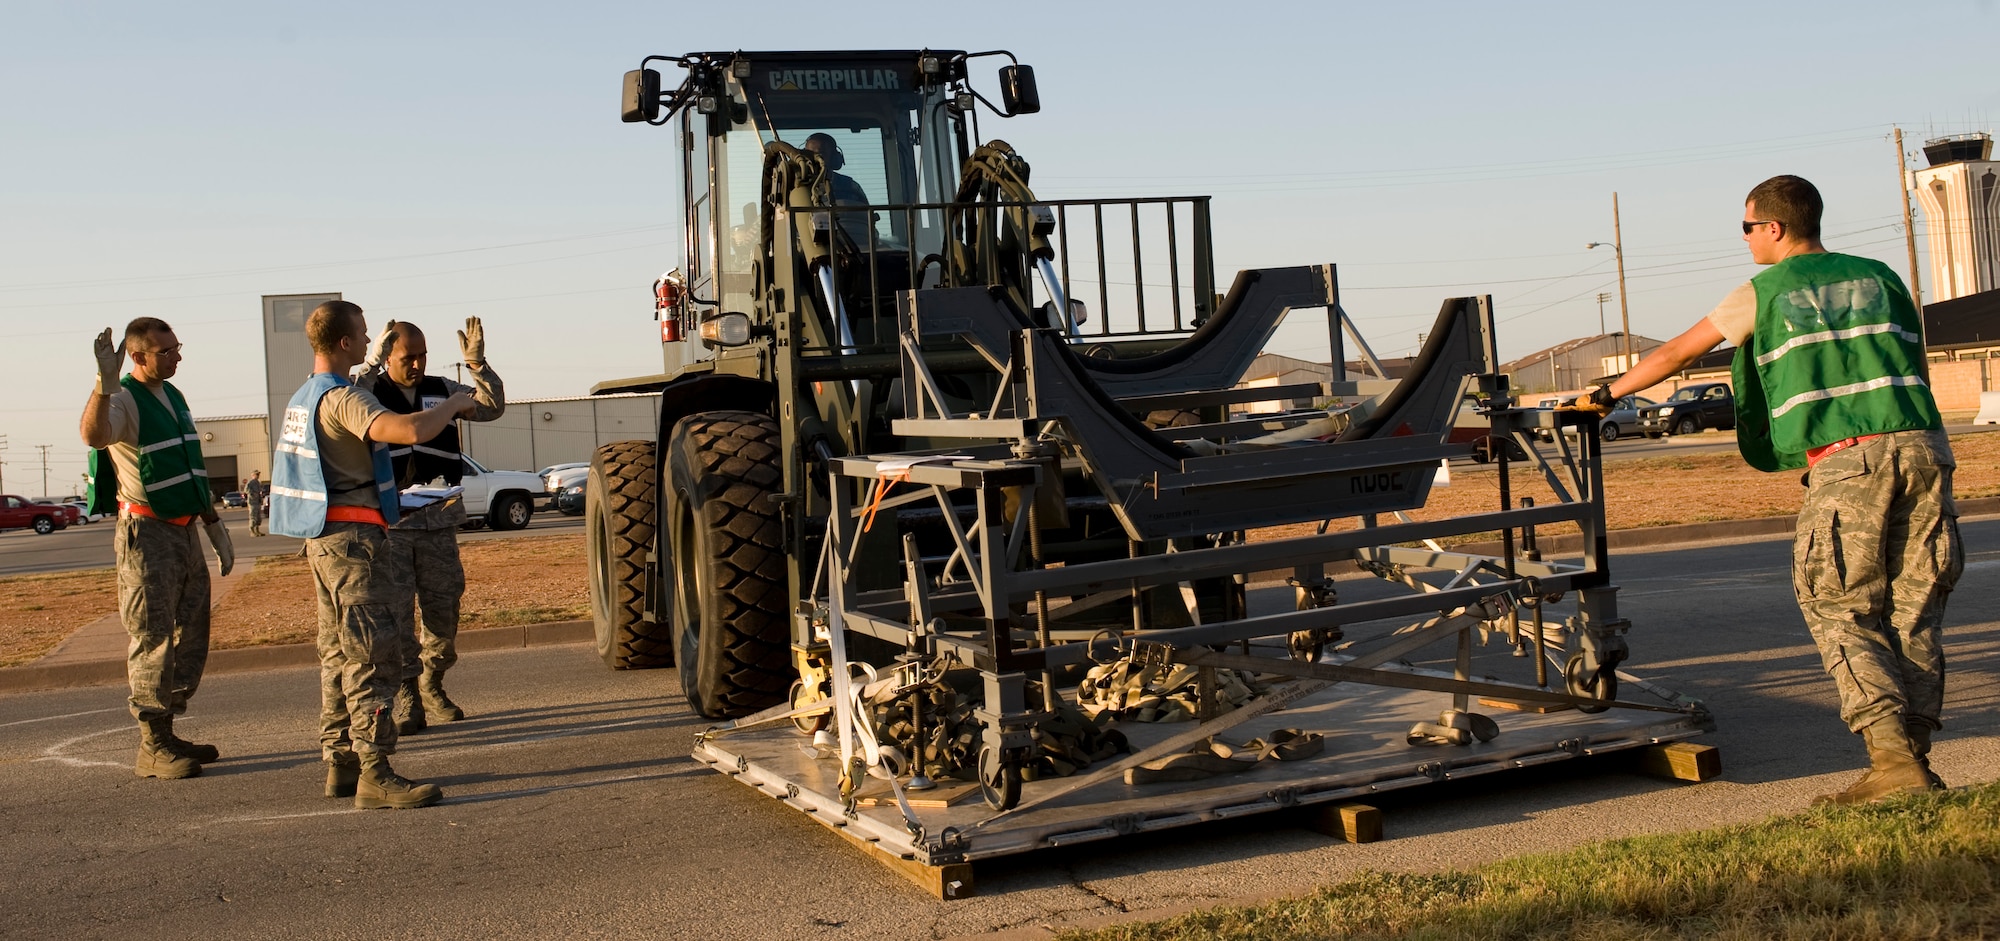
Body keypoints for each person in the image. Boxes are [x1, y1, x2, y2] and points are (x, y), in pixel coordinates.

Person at [1571, 175, 1963, 804]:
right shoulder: (1882, 277)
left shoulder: (1765, 291)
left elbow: (1676, 352)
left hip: (1848, 459)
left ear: (1774, 227)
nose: (1747, 239)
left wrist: (1602, 397)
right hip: (1927, 450)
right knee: (1915, 611)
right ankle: (1913, 760)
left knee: (1839, 605)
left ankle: (1892, 764)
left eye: (1747, 227)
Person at [271, 299, 474, 810]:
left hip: (325, 543)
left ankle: (339, 761)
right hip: (355, 548)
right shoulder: (342, 398)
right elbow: (408, 430)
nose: (369, 344)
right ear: (343, 342)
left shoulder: (304, 395)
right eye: (363, 335)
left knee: (336, 653)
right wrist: (451, 406)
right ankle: (374, 771)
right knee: (371, 656)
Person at [79, 318, 235, 779]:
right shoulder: (124, 400)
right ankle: (152, 744)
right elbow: (92, 435)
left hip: (184, 530)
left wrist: (212, 523)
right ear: (137, 356)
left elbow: (189, 466)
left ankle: (165, 727)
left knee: (193, 634)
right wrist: (103, 385)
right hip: (146, 536)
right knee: (153, 637)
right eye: (166, 351)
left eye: (176, 347)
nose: (177, 357)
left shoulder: (175, 396)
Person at [354, 317, 505, 734]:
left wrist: (477, 365)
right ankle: (408, 697)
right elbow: (346, 395)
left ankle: (433, 683)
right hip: (392, 526)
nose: (417, 364)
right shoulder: (371, 394)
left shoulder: (443, 390)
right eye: (408, 357)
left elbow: (491, 407)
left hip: (438, 521)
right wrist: (369, 365)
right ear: (388, 358)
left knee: (444, 611)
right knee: (398, 616)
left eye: (422, 356)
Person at [802, 132, 874, 244]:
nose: (814, 159)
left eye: (821, 154)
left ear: (834, 158)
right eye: (809, 154)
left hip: (855, 247)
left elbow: (867, 220)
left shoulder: (851, 187)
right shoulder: (796, 189)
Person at [243, 470, 268, 536]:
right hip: (252, 502)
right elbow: (246, 490)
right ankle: (252, 531)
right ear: (253, 475)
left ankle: (257, 530)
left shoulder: (258, 482)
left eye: (258, 474)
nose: (258, 476)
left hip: (257, 502)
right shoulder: (250, 482)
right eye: (256, 474)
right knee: (253, 517)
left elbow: (260, 491)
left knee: (258, 517)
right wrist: (252, 494)